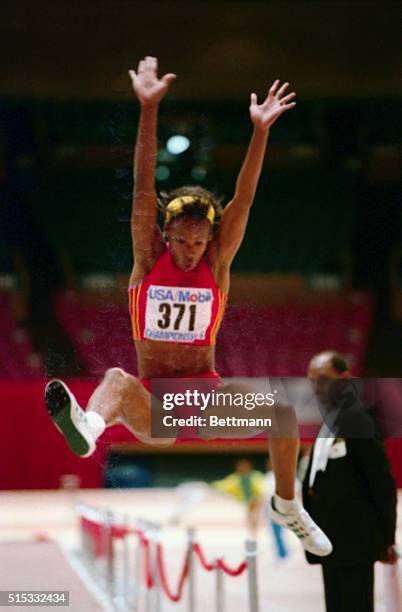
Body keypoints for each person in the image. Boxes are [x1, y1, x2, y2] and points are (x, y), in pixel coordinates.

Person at [45, 56, 331, 556]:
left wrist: (260, 132)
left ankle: (287, 505)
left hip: (202, 395)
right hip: (156, 405)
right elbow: (141, 186)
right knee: (114, 378)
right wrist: (149, 108)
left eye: (200, 241)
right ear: (167, 233)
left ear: (210, 238)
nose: (192, 249)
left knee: (283, 411)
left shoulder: (217, 264)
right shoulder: (146, 258)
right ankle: (88, 428)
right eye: (183, 240)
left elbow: (244, 199)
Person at [303, 350, 398, 612]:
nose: (316, 386)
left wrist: (387, 538)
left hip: (354, 541)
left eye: (323, 378)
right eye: (312, 379)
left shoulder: (358, 419)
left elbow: (381, 481)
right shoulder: (331, 421)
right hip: (330, 542)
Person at [212, 458, 265, 534]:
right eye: (240, 466)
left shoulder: (256, 477)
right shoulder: (235, 478)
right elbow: (223, 485)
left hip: (257, 502)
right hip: (245, 503)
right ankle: (252, 533)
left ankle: (254, 533)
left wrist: (259, 501)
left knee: (254, 518)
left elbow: (262, 490)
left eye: (244, 466)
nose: (242, 468)